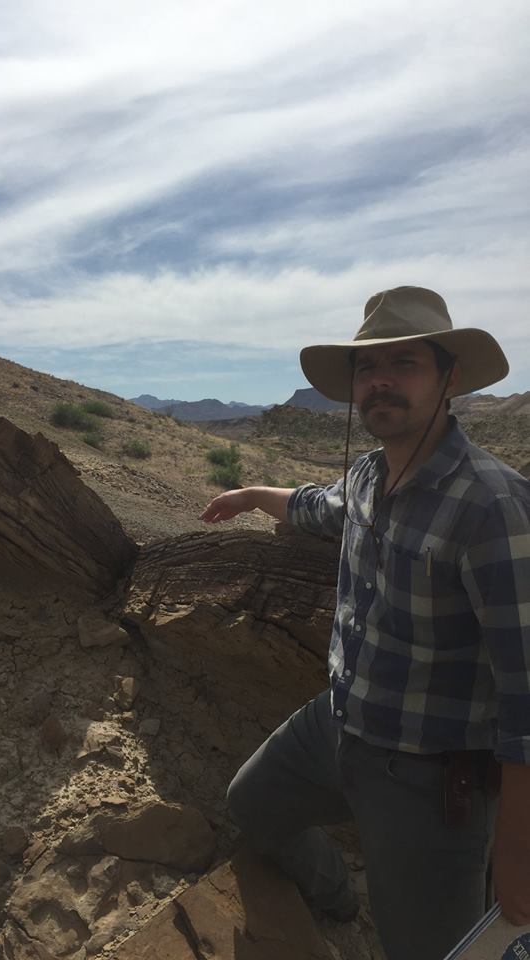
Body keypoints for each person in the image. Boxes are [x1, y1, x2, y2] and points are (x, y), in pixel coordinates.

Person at [200, 286, 530, 960]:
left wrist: (517, 849)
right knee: (252, 805)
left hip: (433, 779)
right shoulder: (367, 474)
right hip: (338, 723)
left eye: (402, 363)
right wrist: (251, 495)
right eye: (364, 367)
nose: (378, 381)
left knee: (431, 950)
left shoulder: (490, 506)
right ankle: (334, 898)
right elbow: (316, 507)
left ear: (448, 377)